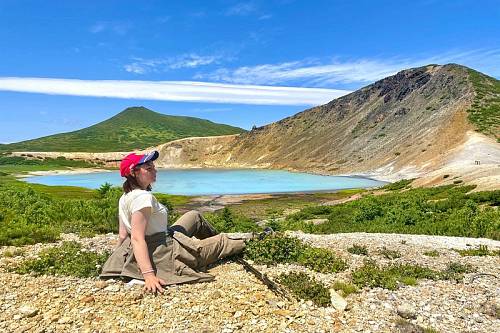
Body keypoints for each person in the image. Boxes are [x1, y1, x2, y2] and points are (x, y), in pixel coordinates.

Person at [100, 150, 246, 293]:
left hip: (164, 238)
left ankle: (209, 245)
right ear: (134, 173)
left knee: (194, 215)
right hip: (164, 251)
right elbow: (137, 238)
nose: (154, 170)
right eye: (148, 168)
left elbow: (123, 235)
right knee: (224, 241)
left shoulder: (125, 196)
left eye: (153, 167)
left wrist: (119, 261)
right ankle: (259, 239)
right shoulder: (142, 198)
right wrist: (149, 275)